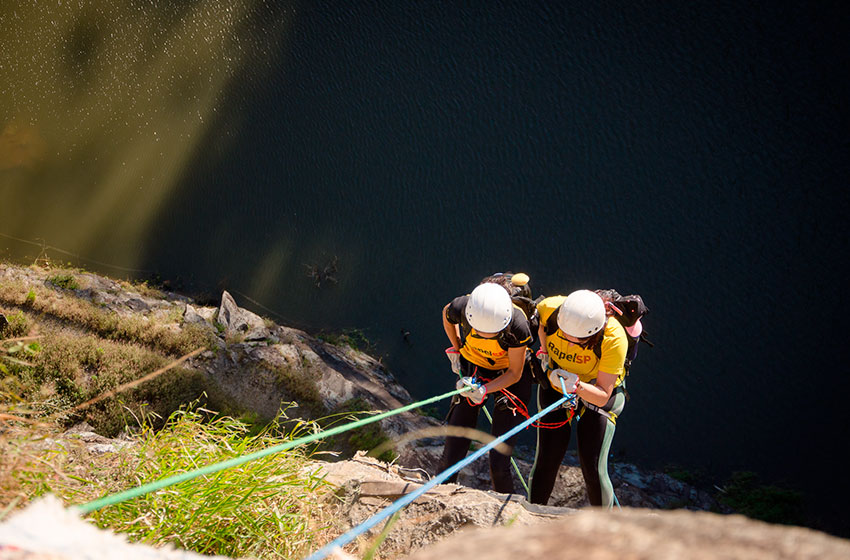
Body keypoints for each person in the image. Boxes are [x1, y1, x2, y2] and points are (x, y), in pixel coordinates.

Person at [528, 289, 628, 507]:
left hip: (596, 390)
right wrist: (544, 352)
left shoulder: (614, 338)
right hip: (557, 379)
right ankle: (531, 514)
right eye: (565, 336)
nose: (572, 345)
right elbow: (540, 323)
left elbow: (602, 396)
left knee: (593, 467)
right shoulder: (551, 309)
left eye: (581, 342)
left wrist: (577, 385)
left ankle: (604, 524)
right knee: (546, 459)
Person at [439, 275, 535, 493]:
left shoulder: (518, 324)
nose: (485, 336)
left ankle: (507, 510)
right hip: (475, 366)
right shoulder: (462, 306)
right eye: (480, 330)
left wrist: (484, 390)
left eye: (491, 333)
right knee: (451, 453)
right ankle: (440, 496)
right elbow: (447, 314)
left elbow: (514, 373)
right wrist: (456, 348)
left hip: (508, 376)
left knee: (499, 464)